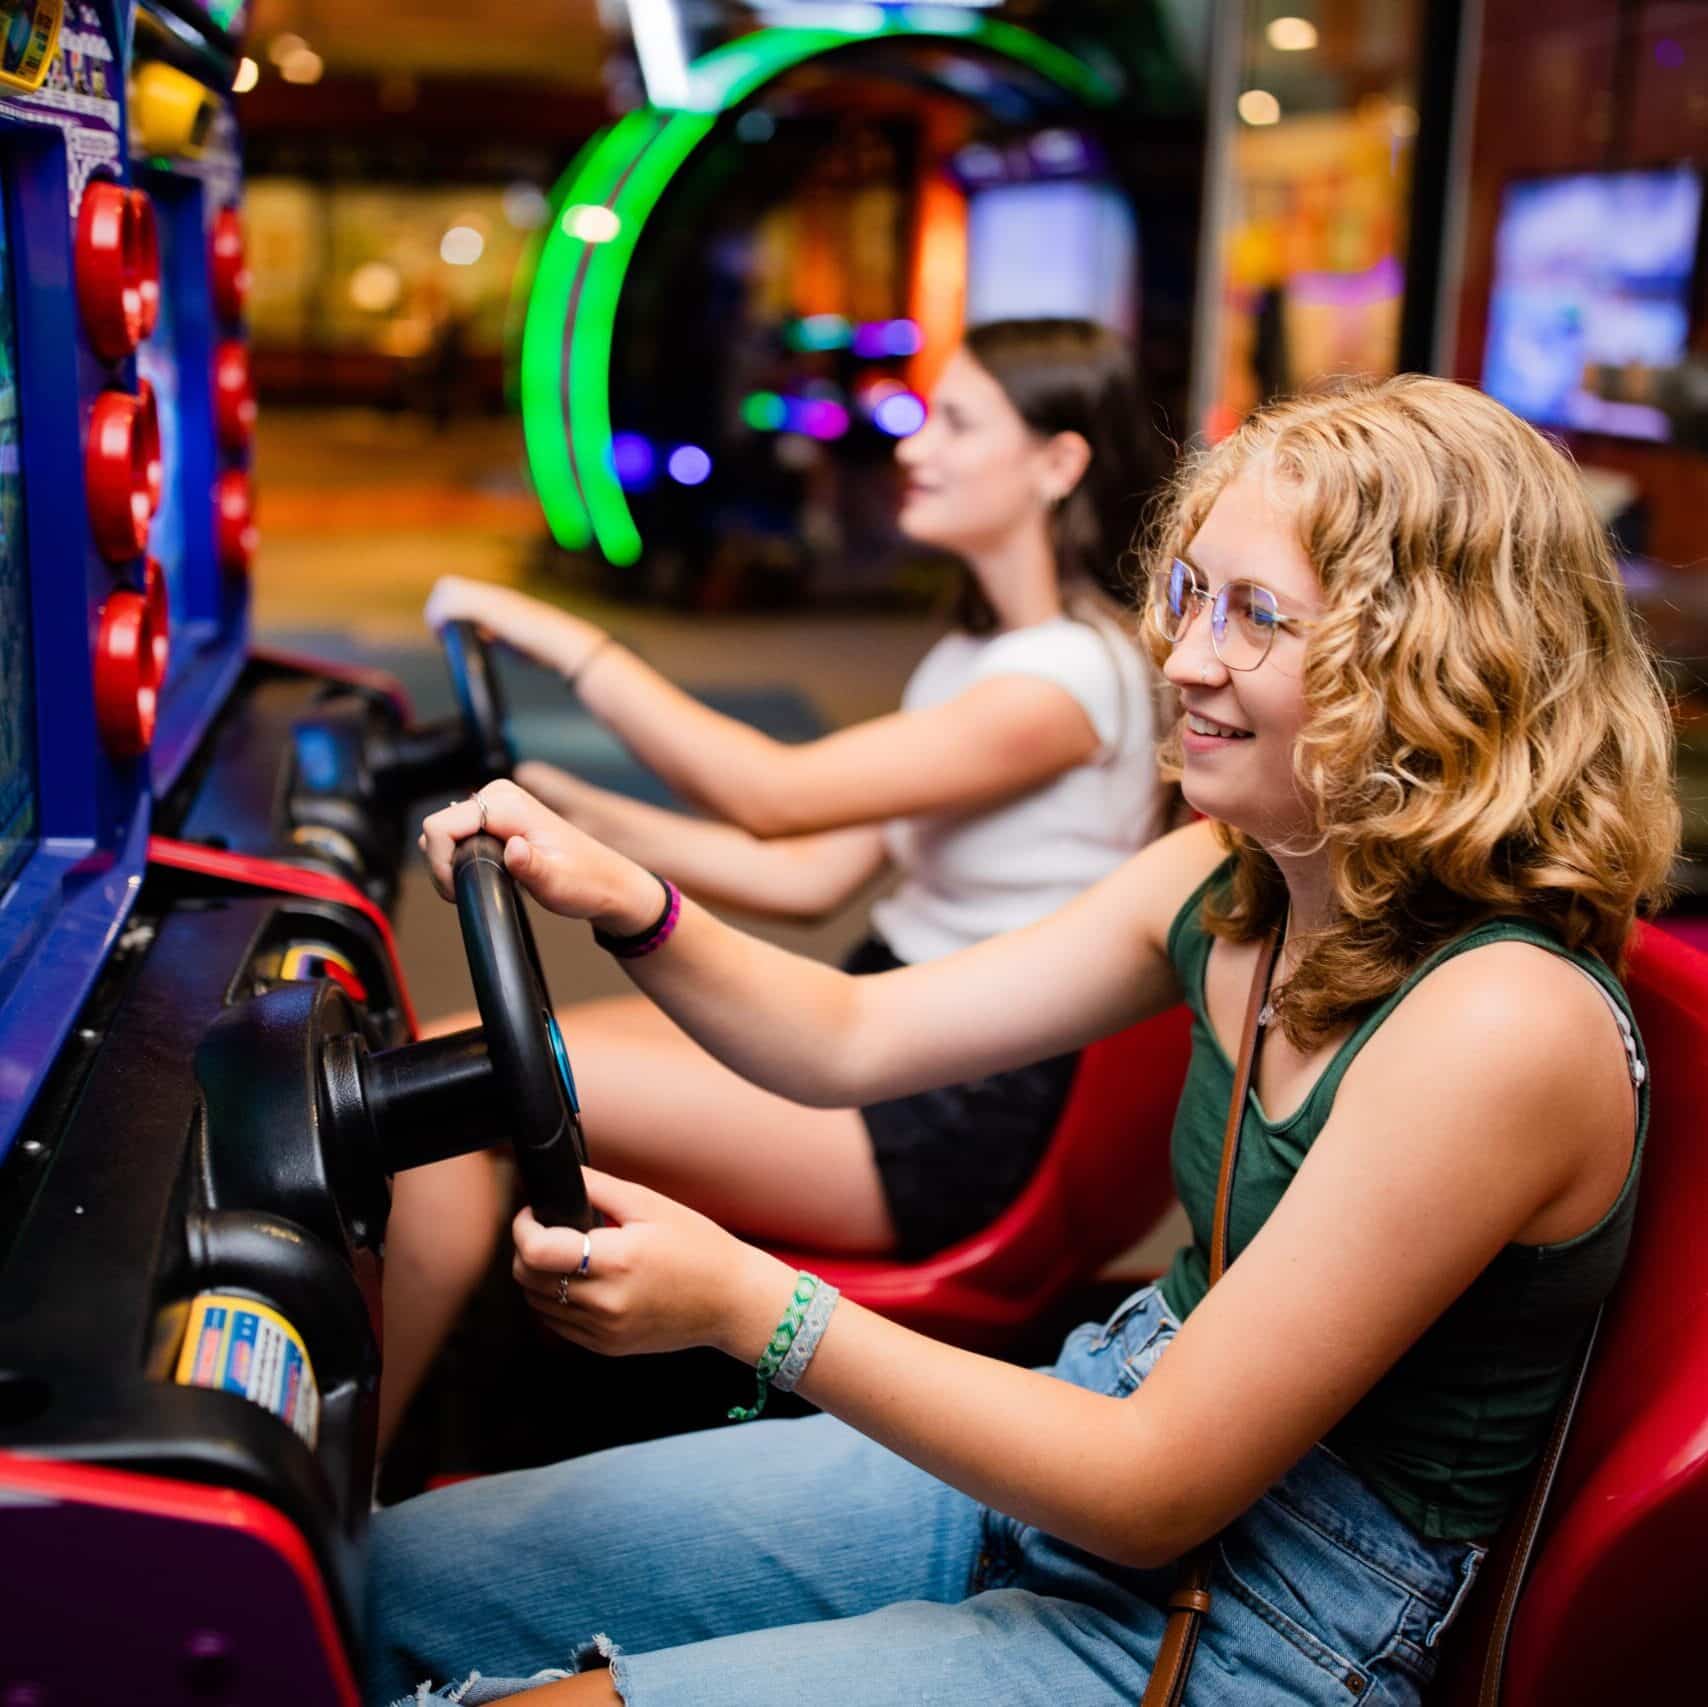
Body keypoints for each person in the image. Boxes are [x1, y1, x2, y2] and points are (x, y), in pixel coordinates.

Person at [369, 374, 1679, 1706]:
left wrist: (742, 1301)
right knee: (380, 1582)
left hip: (1267, 1616)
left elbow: (1153, 1484)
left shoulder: (1502, 1022)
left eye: (1257, 616)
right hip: (1107, 1412)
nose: (1183, 659)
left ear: (1434, 664)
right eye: (1191, 596)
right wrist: (632, 901)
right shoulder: (1231, 876)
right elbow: (848, 1034)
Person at [377, 320, 1172, 1449]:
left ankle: (347, 1501)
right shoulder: (984, 658)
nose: (913, 446)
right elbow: (801, 876)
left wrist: (565, 642)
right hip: (891, 1031)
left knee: (459, 1097)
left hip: (948, 1113)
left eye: (956, 422)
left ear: (1058, 463)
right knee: (461, 1055)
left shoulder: (1069, 680)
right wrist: (573, 813)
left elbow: (775, 796)